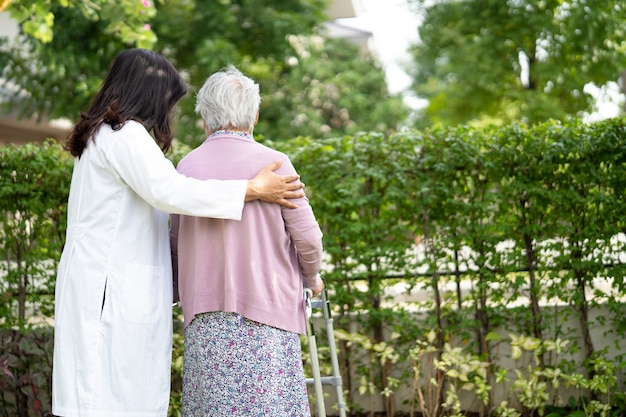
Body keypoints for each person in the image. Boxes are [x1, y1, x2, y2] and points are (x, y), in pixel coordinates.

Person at [51, 49, 305, 417]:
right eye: (169, 103)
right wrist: (251, 189)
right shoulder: (124, 135)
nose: (169, 114)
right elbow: (171, 191)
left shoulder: (103, 136)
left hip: (106, 284)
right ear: (152, 94)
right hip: (110, 289)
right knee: (105, 396)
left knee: (104, 392)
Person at [169, 65, 324, 416]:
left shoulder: (186, 168)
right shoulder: (274, 164)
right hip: (268, 314)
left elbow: (175, 242)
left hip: (206, 321)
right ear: (254, 116)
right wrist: (311, 278)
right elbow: (309, 239)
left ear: (205, 120)